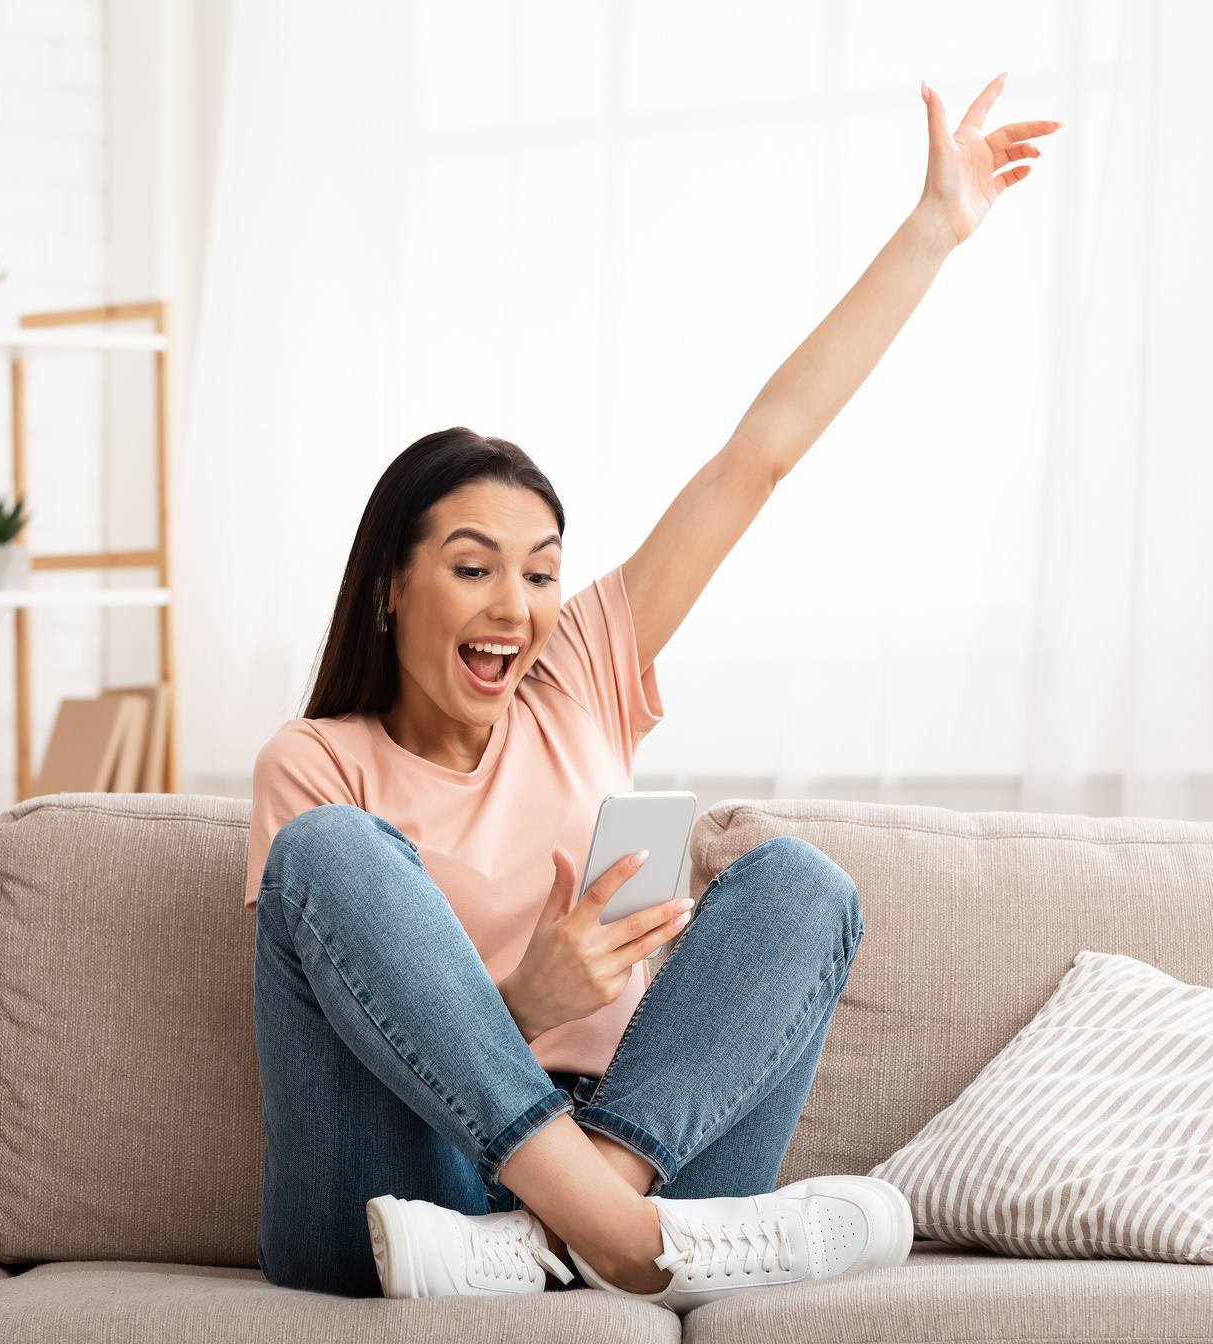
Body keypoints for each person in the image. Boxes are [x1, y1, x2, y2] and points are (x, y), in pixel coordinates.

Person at [247, 75, 1056, 1309]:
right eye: (473, 569)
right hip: (403, 1193)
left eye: (541, 573)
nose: (517, 607)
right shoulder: (320, 763)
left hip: (633, 1143)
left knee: (801, 885)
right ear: (389, 592)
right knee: (330, 854)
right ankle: (614, 1240)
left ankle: (573, 1230)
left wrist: (932, 230)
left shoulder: (575, 675)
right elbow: (361, 1037)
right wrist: (526, 1002)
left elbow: (759, 456)